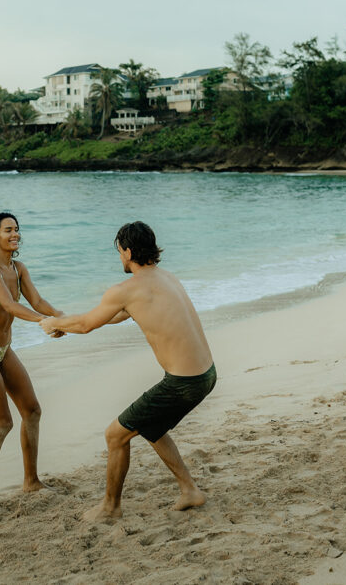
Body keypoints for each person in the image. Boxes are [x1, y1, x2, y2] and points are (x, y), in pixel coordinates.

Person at [39, 221, 215, 521]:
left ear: (128, 251)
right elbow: (118, 314)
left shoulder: (126, 289)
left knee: (115, 435)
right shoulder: (166, 278)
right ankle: (190, 491)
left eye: (119, 251)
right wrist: (67, 321)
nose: (119, 256)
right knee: (152, 427)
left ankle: (110, 507)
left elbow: (86, 325)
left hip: (183, 383)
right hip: (206, 375)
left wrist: (54, 324)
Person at [0, 212, 63, 515]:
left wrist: (64, 319)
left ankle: (31, 481)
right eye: (8, 230)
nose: (14, 234)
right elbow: (9, 305)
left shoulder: (18, 268)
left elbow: (37, 301)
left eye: (17, 229)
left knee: (32, 411)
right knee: (2, 423)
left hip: (4, 350)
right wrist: (44, 322)